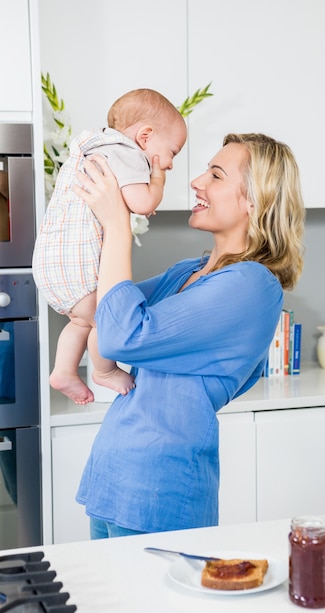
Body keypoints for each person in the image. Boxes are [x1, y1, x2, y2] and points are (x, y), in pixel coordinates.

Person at [72, 132, 305, 539]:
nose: (196, 181)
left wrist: (118, 225)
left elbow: (119, 335)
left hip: (160, 490)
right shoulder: (187, 271)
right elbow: (100, 311)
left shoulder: (252, 285)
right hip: (113, 475)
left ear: (256, 200)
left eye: (215, 175)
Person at [33, 88, 187, 405]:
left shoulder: (96, 148)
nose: (170, 163)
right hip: (76, 266)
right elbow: (143, 203)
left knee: (80, 321)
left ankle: (63, 370)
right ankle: (104, 371)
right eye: (172, 151)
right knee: (107, 319)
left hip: (51, 263)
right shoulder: (126, 153)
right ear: (145, 136)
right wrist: (156, 180)